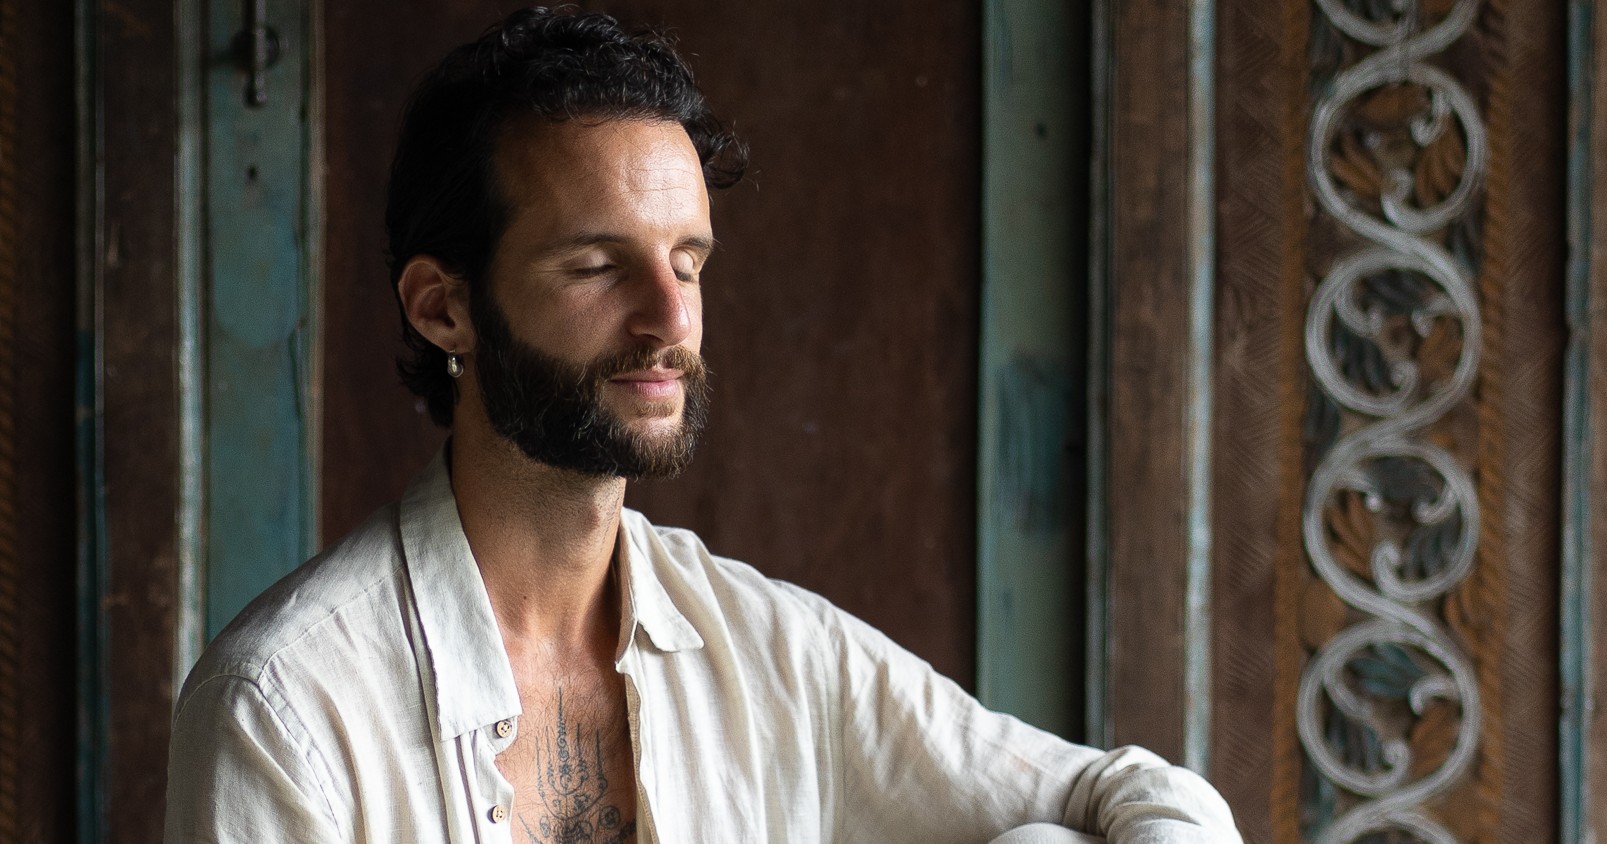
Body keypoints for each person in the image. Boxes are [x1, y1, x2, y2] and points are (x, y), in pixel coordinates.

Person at [163, 8, 1241, 843]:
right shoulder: (287, 705)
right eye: (598, 266)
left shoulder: (772, 650)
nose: (670, 320)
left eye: (686, 263)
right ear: (443, 307)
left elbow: (1136, 794)